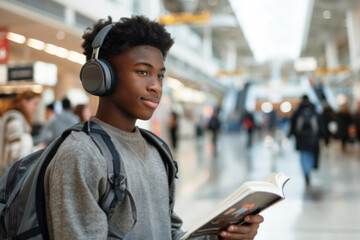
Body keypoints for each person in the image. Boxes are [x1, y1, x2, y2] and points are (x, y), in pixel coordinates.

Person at [43, 16, 263, 240]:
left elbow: (169, 233)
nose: (156, 86)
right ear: (102, 76)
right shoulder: (81, 154)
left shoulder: (157, 150)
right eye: (142, 72)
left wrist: (221, 237)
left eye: (160, 75)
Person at [0, 91, 44, 173]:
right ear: (24, 102)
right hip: (13, 177)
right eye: (35, 103)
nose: (36, 108)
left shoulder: (17, 120)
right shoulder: (15, 122)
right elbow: (16, 156)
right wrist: (37, 150)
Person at [288, 95, 322, 186]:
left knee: (303, 155)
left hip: (301, 138)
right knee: (311, 154)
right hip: (313, 138)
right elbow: (320, 125)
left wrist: (290, 135)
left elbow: (292, 125)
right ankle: (309, 170)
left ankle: (306, 172)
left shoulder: (298, 111)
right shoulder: (314, 110)